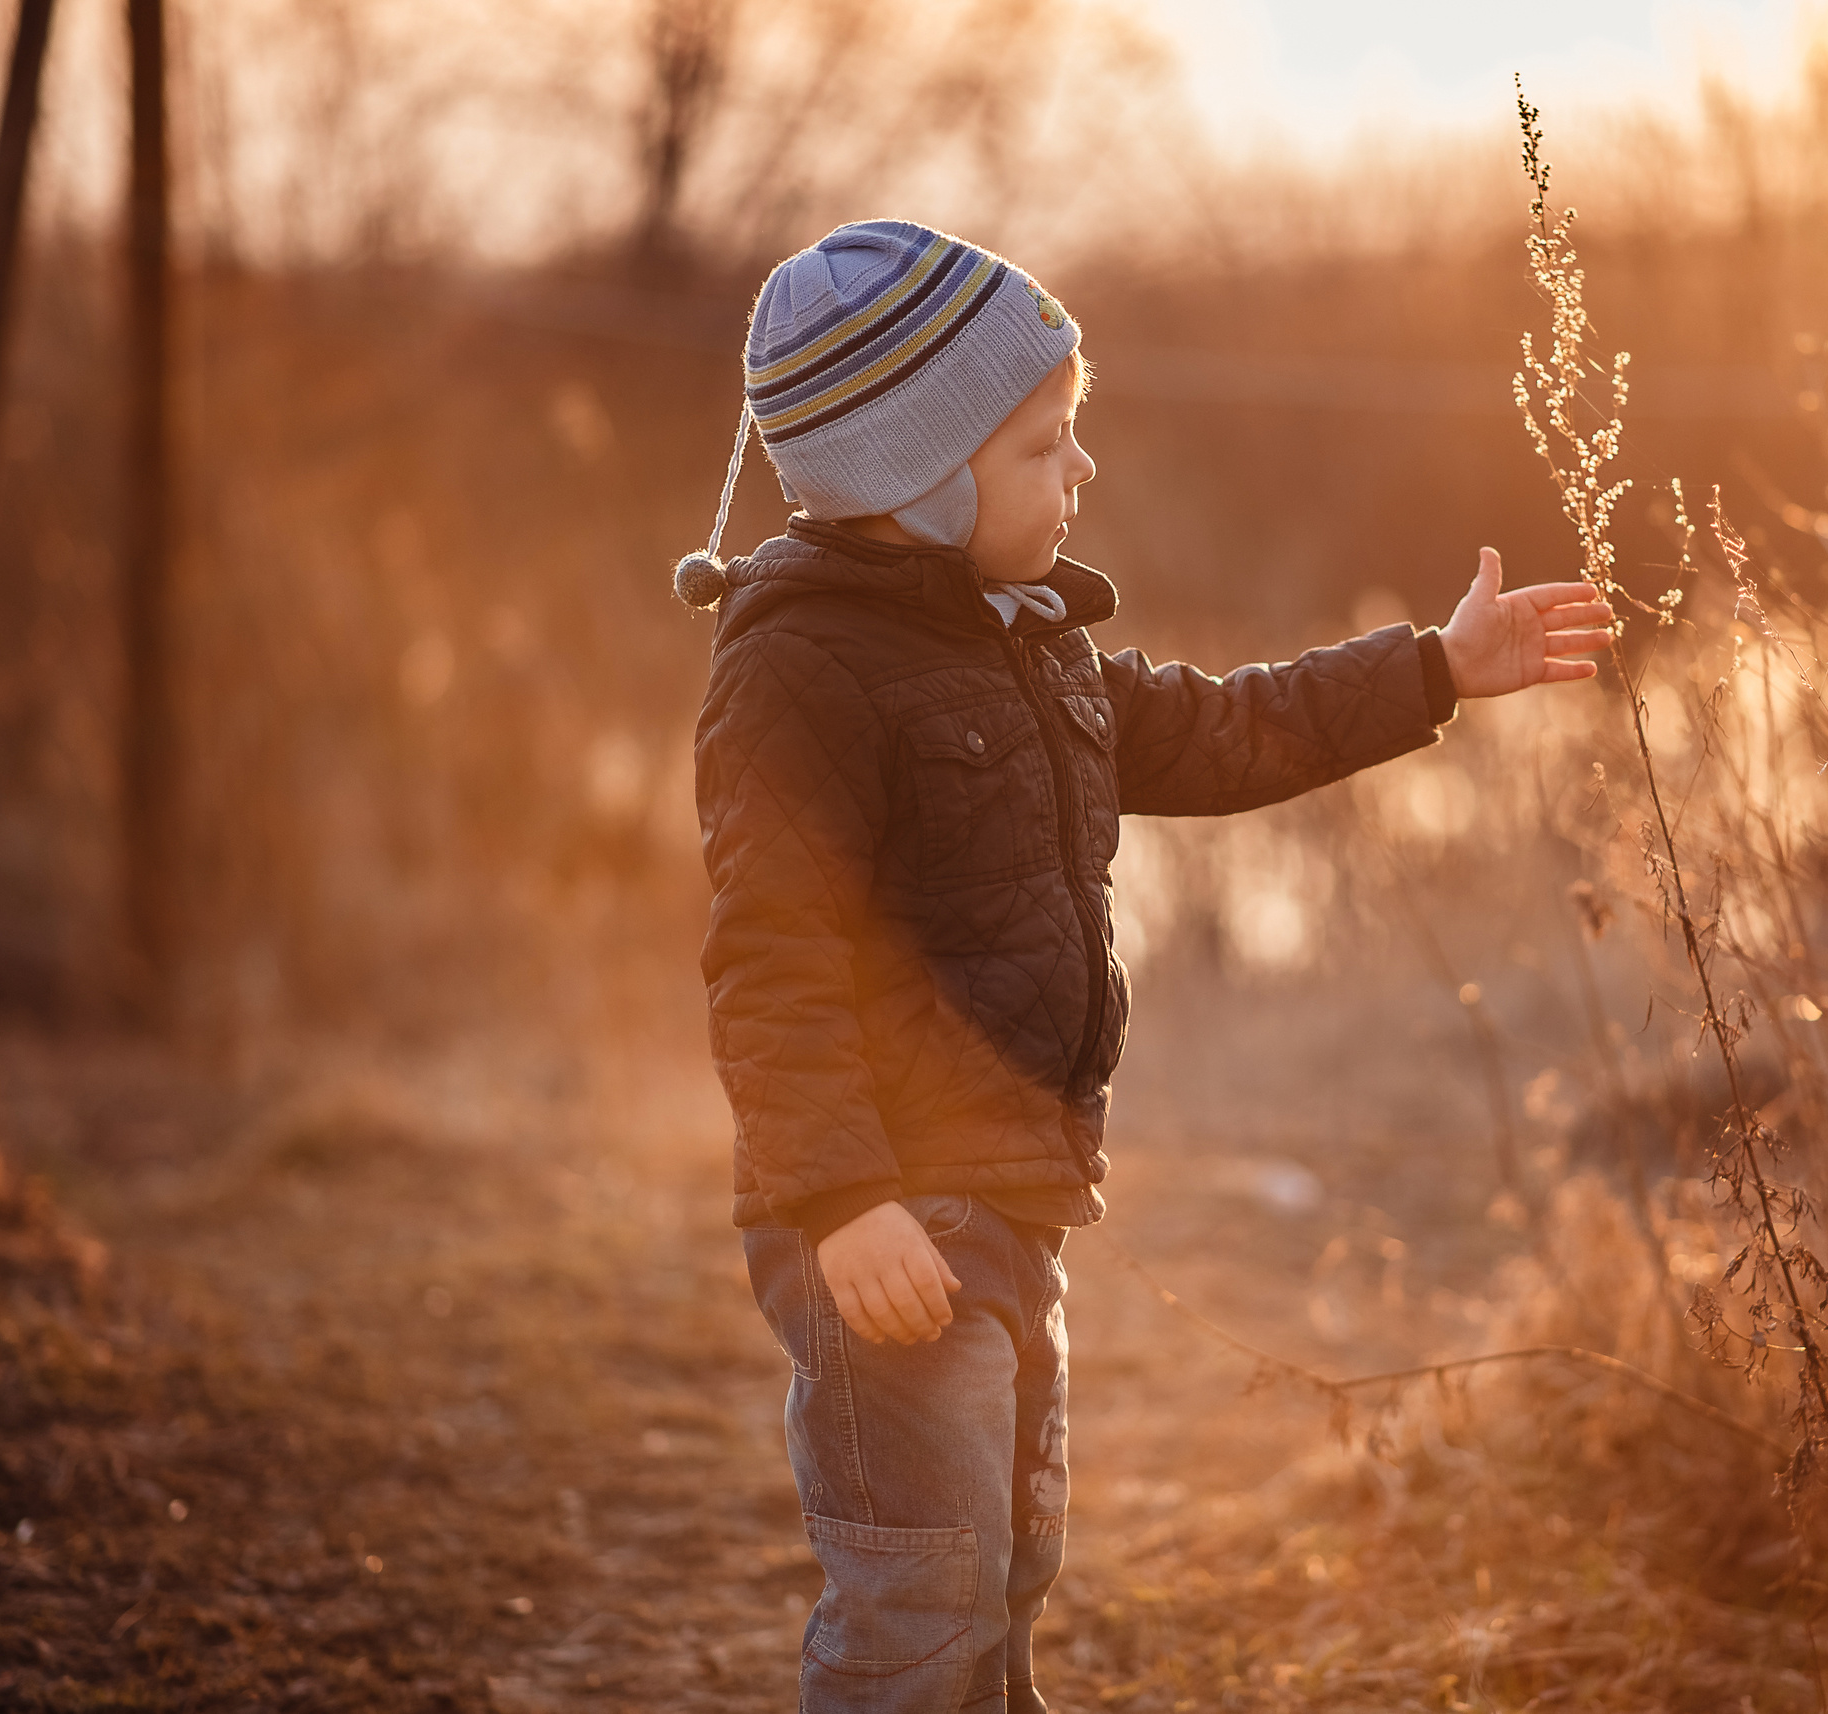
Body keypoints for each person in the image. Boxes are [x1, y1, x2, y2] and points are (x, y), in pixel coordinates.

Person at [682, 218, 1611, 1713]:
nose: (1083, 472)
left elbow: (1224, 728)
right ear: (918, 482)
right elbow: (770, 957)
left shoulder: (1021, 642)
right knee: (916, 1590)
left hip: (1010, 1191)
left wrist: (1429, 668)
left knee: (1005, 1562)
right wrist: (836, 1199)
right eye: (1048, 444)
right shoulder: (797, 670)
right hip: (885, 1218)